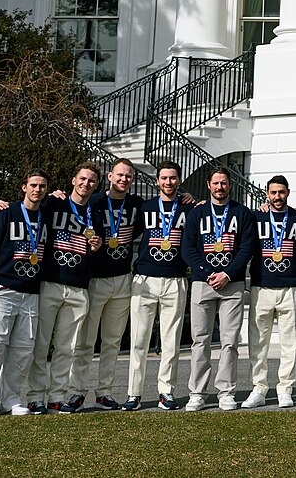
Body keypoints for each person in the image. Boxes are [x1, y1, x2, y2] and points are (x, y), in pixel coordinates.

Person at [0, 170, 48, 417]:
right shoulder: (5, 214)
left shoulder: (47, 216)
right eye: (33, 185)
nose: (38, 190)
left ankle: (11, 399)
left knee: (22, 352)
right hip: (3, 290)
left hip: (31, 293)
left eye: (43, 186)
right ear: (24, 187)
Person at [28, 162, 102, 413]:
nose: (86, 184)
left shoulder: (95, 211)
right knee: (41, 344)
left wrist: (96, 247)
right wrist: (0, 205)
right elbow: (29, 208)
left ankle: (57, 396)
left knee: (66, 347)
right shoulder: (54, 202)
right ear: (73, 180)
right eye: (82, 179)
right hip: (51, 282)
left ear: (97, 185)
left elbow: (97, 246)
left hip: (79, 286)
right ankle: (35, 395)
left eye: (91, 181)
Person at [182, 166, 257, 412]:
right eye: (215, 183)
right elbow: (188, 249)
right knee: (200, 340)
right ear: (208, 185)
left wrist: (227, 274)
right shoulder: (197, 213)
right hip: (202, 284)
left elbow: (247, 248)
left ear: (229, 185)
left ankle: (226, 391)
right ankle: (197, 393)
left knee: (229, 341)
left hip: (232, 284)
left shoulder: (242, 213)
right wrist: (207, 274)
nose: (219, 187)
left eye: (223, 183)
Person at [75, 159, 142, 410]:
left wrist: (190, 199)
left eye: (128, 176)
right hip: (95, 279)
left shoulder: (136, 204)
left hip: (123, 279)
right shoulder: (94, 201)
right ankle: (77, 391)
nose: (124, 179)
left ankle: (104, 392)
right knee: (86, 341)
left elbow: (165, 209)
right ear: (110, 176)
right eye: (120, 175)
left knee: (112, 342)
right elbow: (66, 205)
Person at [124, 160, 191, 412]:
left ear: (178, 180)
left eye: (173, 178)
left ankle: (166, 391)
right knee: (138, 340)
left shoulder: (188, 208)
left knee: (171, 341)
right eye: (164, 178)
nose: (168, 182)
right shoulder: (145, 207)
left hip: (175, 279)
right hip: (145, 279)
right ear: (157, 181)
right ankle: (134, 393)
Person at [243, 175, 296, 409]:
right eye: (273, 193)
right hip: (262, 286)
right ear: (267, 194)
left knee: (290, 342)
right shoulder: (255, 217)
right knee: (258, 341)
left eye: (281, 192)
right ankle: (259, 388)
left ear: (288, 192)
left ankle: (285, 388)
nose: (277, 197)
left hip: (291, 287)